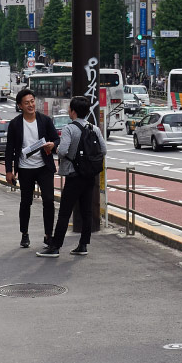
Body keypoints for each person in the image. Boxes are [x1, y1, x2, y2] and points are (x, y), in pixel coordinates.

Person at [42, 95, 107, 257]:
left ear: (73, 111)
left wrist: (55, 149)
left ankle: (55, 246)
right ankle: (83, 244)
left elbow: (63, 151)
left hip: (73, 175)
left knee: (64, 211)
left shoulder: (69, 129)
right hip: (89, 175)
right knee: (86, 211)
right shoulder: (94, 128)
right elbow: (103, 150)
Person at [5, 88, 60, 248]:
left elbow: (56, 139)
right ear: (20, 106)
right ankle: (24, 233)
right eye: (26, 103)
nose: (30, 105)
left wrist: (53, 144)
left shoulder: (45, 120)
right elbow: (9, 149)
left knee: (49, 200)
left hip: (44, 166)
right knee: (25, 201)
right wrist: (9, 171)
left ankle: (48, 234)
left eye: (32, 101)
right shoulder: (15, 124)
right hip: (25, 167)